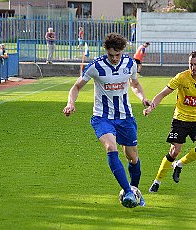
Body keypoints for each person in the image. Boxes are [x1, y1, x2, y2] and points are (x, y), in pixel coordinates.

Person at [63, 33, 150, 208]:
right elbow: (76, 86)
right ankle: (128, 192)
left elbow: (135, 84)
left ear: (123, 51)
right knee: (111, 147)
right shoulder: (96, 66)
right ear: (106, 52)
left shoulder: (130, 64)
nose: (115, 58)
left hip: (125, 117)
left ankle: (134, 190)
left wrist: (143, 98)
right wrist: (71, 103)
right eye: (111, 55)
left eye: (118, 55)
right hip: (102, 117)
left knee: (132, 157)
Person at [144, 50, 196, 193]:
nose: (193, 67)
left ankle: (180, 164)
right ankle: (157, 181)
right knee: (174, 150)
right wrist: (151, 107)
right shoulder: (181, 77)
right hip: (180, 119)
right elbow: (163, 93)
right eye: (190, 64)